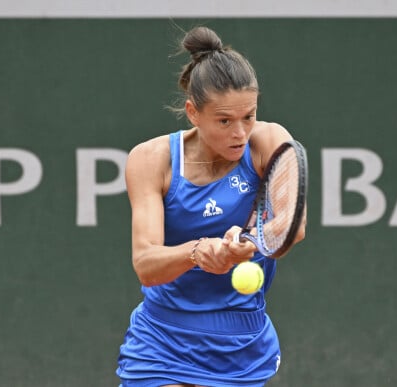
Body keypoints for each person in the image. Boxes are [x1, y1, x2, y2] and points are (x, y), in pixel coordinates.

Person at [116, 26, 306, 387]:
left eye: (248, 116)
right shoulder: (151, 160)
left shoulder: (268, 142)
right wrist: (199, 252)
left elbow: (292, 225)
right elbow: (145, 264)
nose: (239, 133)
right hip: (162, 339)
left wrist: (245, 243)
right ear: (192, 112)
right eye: (224, 121)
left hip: (241, 344)